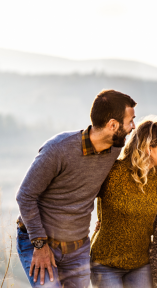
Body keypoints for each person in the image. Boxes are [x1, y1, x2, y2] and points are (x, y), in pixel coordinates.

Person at [15, 89, 136, 287]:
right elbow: (25, 196)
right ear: (112, 125)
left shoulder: (115, 149)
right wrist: (40, 244)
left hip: (78, 249)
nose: (133, 126)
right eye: (130, 121)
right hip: (40, 242)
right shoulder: (58, 149)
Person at [90, 116, 157, 288]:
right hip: (105, 263)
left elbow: (151, 213)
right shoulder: (113, 171)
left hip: (140, 263)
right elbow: (82, 197)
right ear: (148, 147)